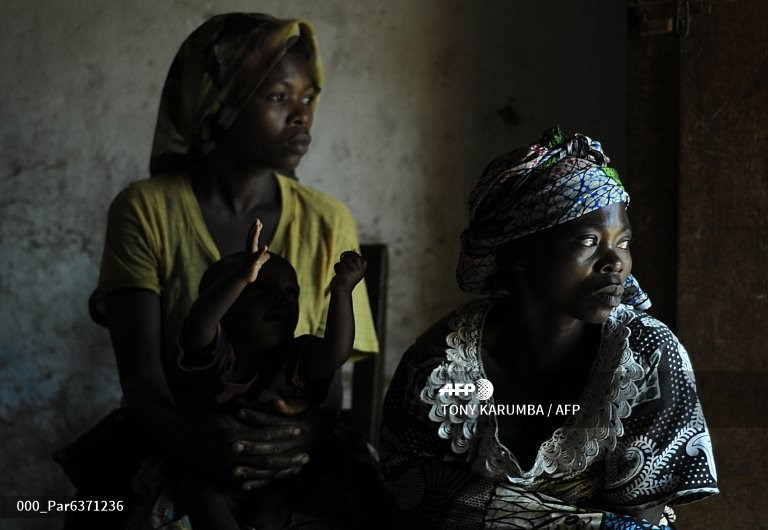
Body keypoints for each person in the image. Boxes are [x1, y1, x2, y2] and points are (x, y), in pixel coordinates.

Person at [58, 12, 379, 529]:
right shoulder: (145, 210)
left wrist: (300, 436)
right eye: (278, 97)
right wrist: (198, 444)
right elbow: (142, 379)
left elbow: (327, 379)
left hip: (290, 439)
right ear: (220, 102)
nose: (301, 115)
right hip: (175, 433)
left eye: (308, 97)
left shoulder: (327, 219)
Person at [379, 127, 718, 529]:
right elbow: (409, 497)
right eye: (589, 241)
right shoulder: (439, 365)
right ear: (520, 252)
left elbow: (636, 523)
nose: (616, 262)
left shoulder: (646, 356)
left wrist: (480, 506)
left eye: (623, 242)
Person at [168, 219, 367, 529]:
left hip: (276, 474)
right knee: (201, 493)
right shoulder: (215, 354)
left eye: (291, 293)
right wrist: (241, 278)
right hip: (210, 467)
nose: (280, 299)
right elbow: (198, 323)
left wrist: (341, 293)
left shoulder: (295, 359)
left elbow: (335, 353)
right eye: (259, 288)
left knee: (279, 503)